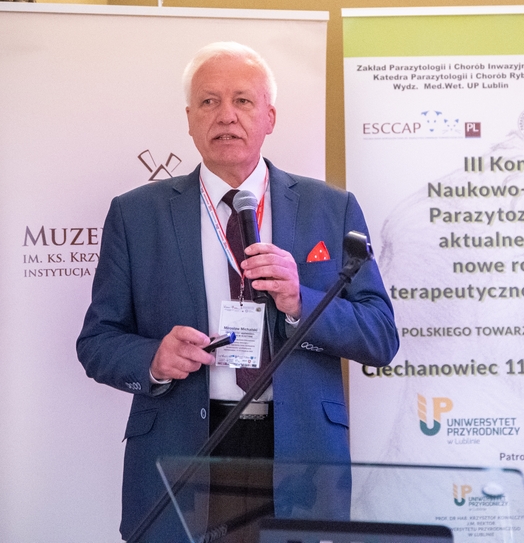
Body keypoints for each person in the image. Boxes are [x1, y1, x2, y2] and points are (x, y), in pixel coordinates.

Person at [76, 42, 398, 540]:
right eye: (209, 101)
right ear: (189, 119)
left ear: (270, 117)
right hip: (183, 448)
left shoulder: (330, 208)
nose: (226, 115)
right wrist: (154, 359)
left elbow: (380, 336)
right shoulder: (136, 214)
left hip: (299, 451)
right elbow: (98, 342)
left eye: (243, 101)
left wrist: (301, 301)